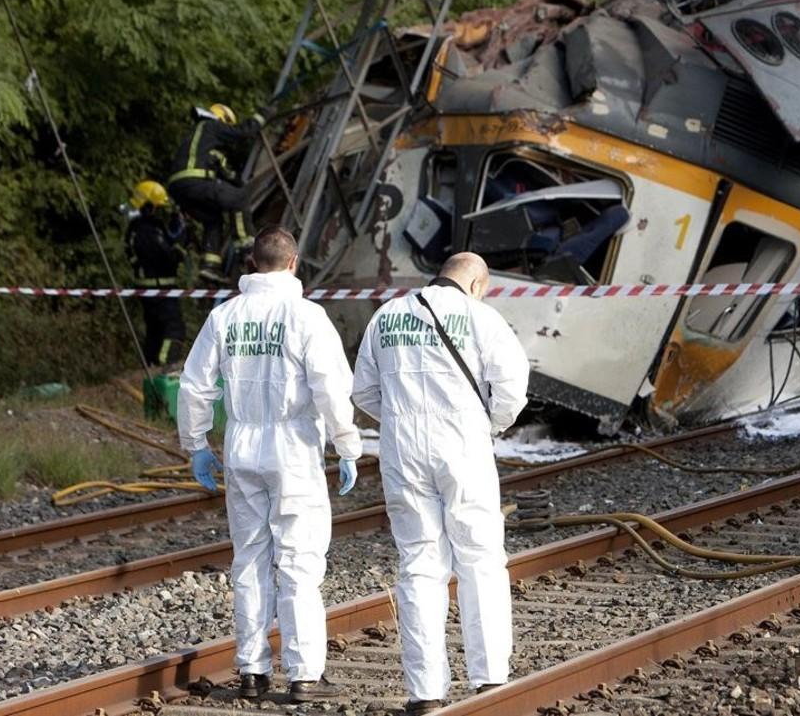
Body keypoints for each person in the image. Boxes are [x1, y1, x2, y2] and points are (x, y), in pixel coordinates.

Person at [177, 226, 363, 702]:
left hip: (242, 448)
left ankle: (253, 670)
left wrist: (196, 443)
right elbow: (329, 387)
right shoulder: (306, 316)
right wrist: (346, 444)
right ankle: (303, 674)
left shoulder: (224, 317)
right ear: (294, 263)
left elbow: (196, 384)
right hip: (293, 448)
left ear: (251, 263)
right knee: (299, 561)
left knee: (250, 561)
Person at [351, 252, 529, 715]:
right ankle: (490, 679)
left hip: (402, 449)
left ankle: (425, 691)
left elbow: (364, 390)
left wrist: (398, 419)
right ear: (476, 284)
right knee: (480, 559)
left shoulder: (387, 317)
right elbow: (511, 385)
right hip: (463, 444)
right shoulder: (480, 317)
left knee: (418, 564)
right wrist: (489, 425)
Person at [167, 103, 265, 284]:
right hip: (194, 182)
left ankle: (209, 266)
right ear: (222, 119)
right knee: (239, 197)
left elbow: (224, 170)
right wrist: (260, 117)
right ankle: (247, 248)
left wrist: (235, 179)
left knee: (213, 219)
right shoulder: (211, 126)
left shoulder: (200, 141)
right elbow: (242, 133)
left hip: (179, 188)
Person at [125, 180, 187, 368]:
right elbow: (167, 256)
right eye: (158, 207)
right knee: (173, 329)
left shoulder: (137, 229)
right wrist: (180, 244)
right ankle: (165, 365)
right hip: (159, 288)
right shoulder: (147, 231)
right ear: (149, 206)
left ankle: (150, 365)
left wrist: (177, 229)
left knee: (155, 331)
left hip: (150, 289)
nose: (161, 211)